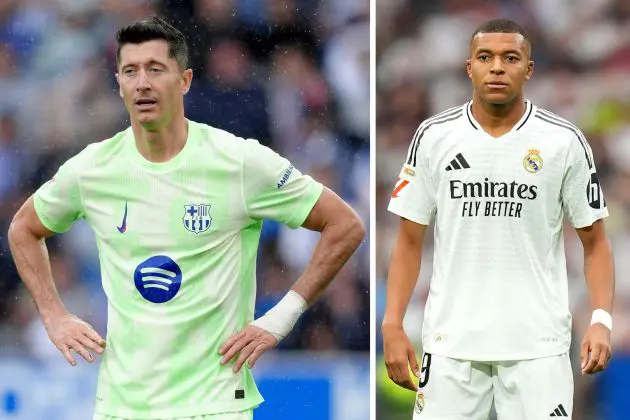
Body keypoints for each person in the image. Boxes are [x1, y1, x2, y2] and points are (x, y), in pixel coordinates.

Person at [7, 16, 365, 420]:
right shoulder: (91, 169)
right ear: (120, 84)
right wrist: (53, 315)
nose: (142, 82)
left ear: (185, 81)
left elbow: (345, 225)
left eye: (155, 69)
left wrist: (280, 318)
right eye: (130, 71)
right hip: (124, 407)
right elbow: (24, 228)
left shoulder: (239, 162)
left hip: (215, 406)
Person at [382, 18, 614, 419]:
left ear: (529, 68)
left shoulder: (563, 142)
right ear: (469, 67)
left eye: (510, 58)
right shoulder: (434, 136)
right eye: (485, 57)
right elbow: (408, 240)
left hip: (538, 346)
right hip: (451, 344)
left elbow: (595, 243)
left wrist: (600, 319)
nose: (497, 67)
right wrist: (392, 324)